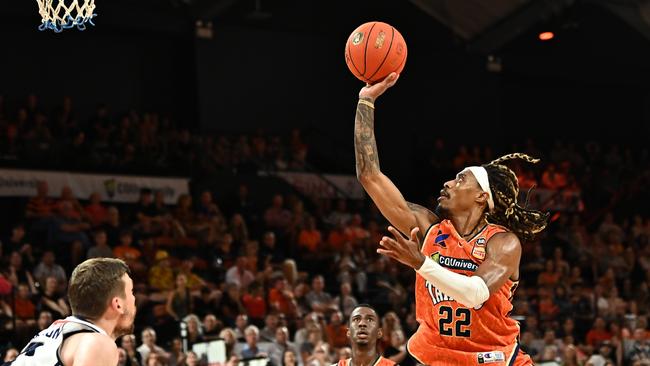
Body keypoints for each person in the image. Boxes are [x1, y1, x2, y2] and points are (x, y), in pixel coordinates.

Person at [354, 72, 549, 365]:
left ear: (482, 196)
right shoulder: (428, 228)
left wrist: (421, 263)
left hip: (492, 357)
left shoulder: (504, 243)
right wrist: (365, 101)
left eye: (461, 180)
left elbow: (476, 294)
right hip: (433, 355)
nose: (448, 183)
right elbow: (369, 176)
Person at [4, 258, 136, 366]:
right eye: (131, 292)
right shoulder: (97, 343)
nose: (134, 299)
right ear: (117, 304)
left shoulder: (58, 329)